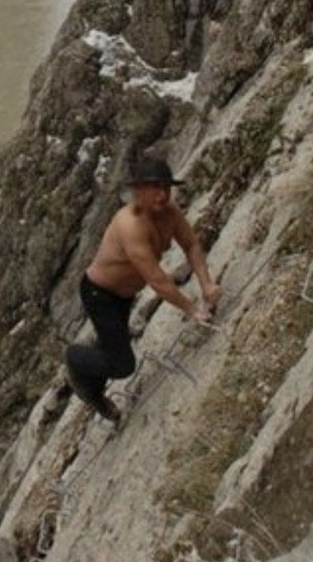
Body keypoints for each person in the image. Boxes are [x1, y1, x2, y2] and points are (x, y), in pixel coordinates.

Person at [65, 154, 220, 423]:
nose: (163, 195)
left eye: (166, 187)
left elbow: (191, 245)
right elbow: (156, 280)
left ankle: (93, 381)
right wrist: (192, 310)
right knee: (122, 365)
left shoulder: (170, 213)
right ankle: (74, 359)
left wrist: (206, 283)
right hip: (100, 295)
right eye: (155, 188)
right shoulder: (130, 225)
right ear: (139, 191)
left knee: (111, 349)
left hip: (124, 296)